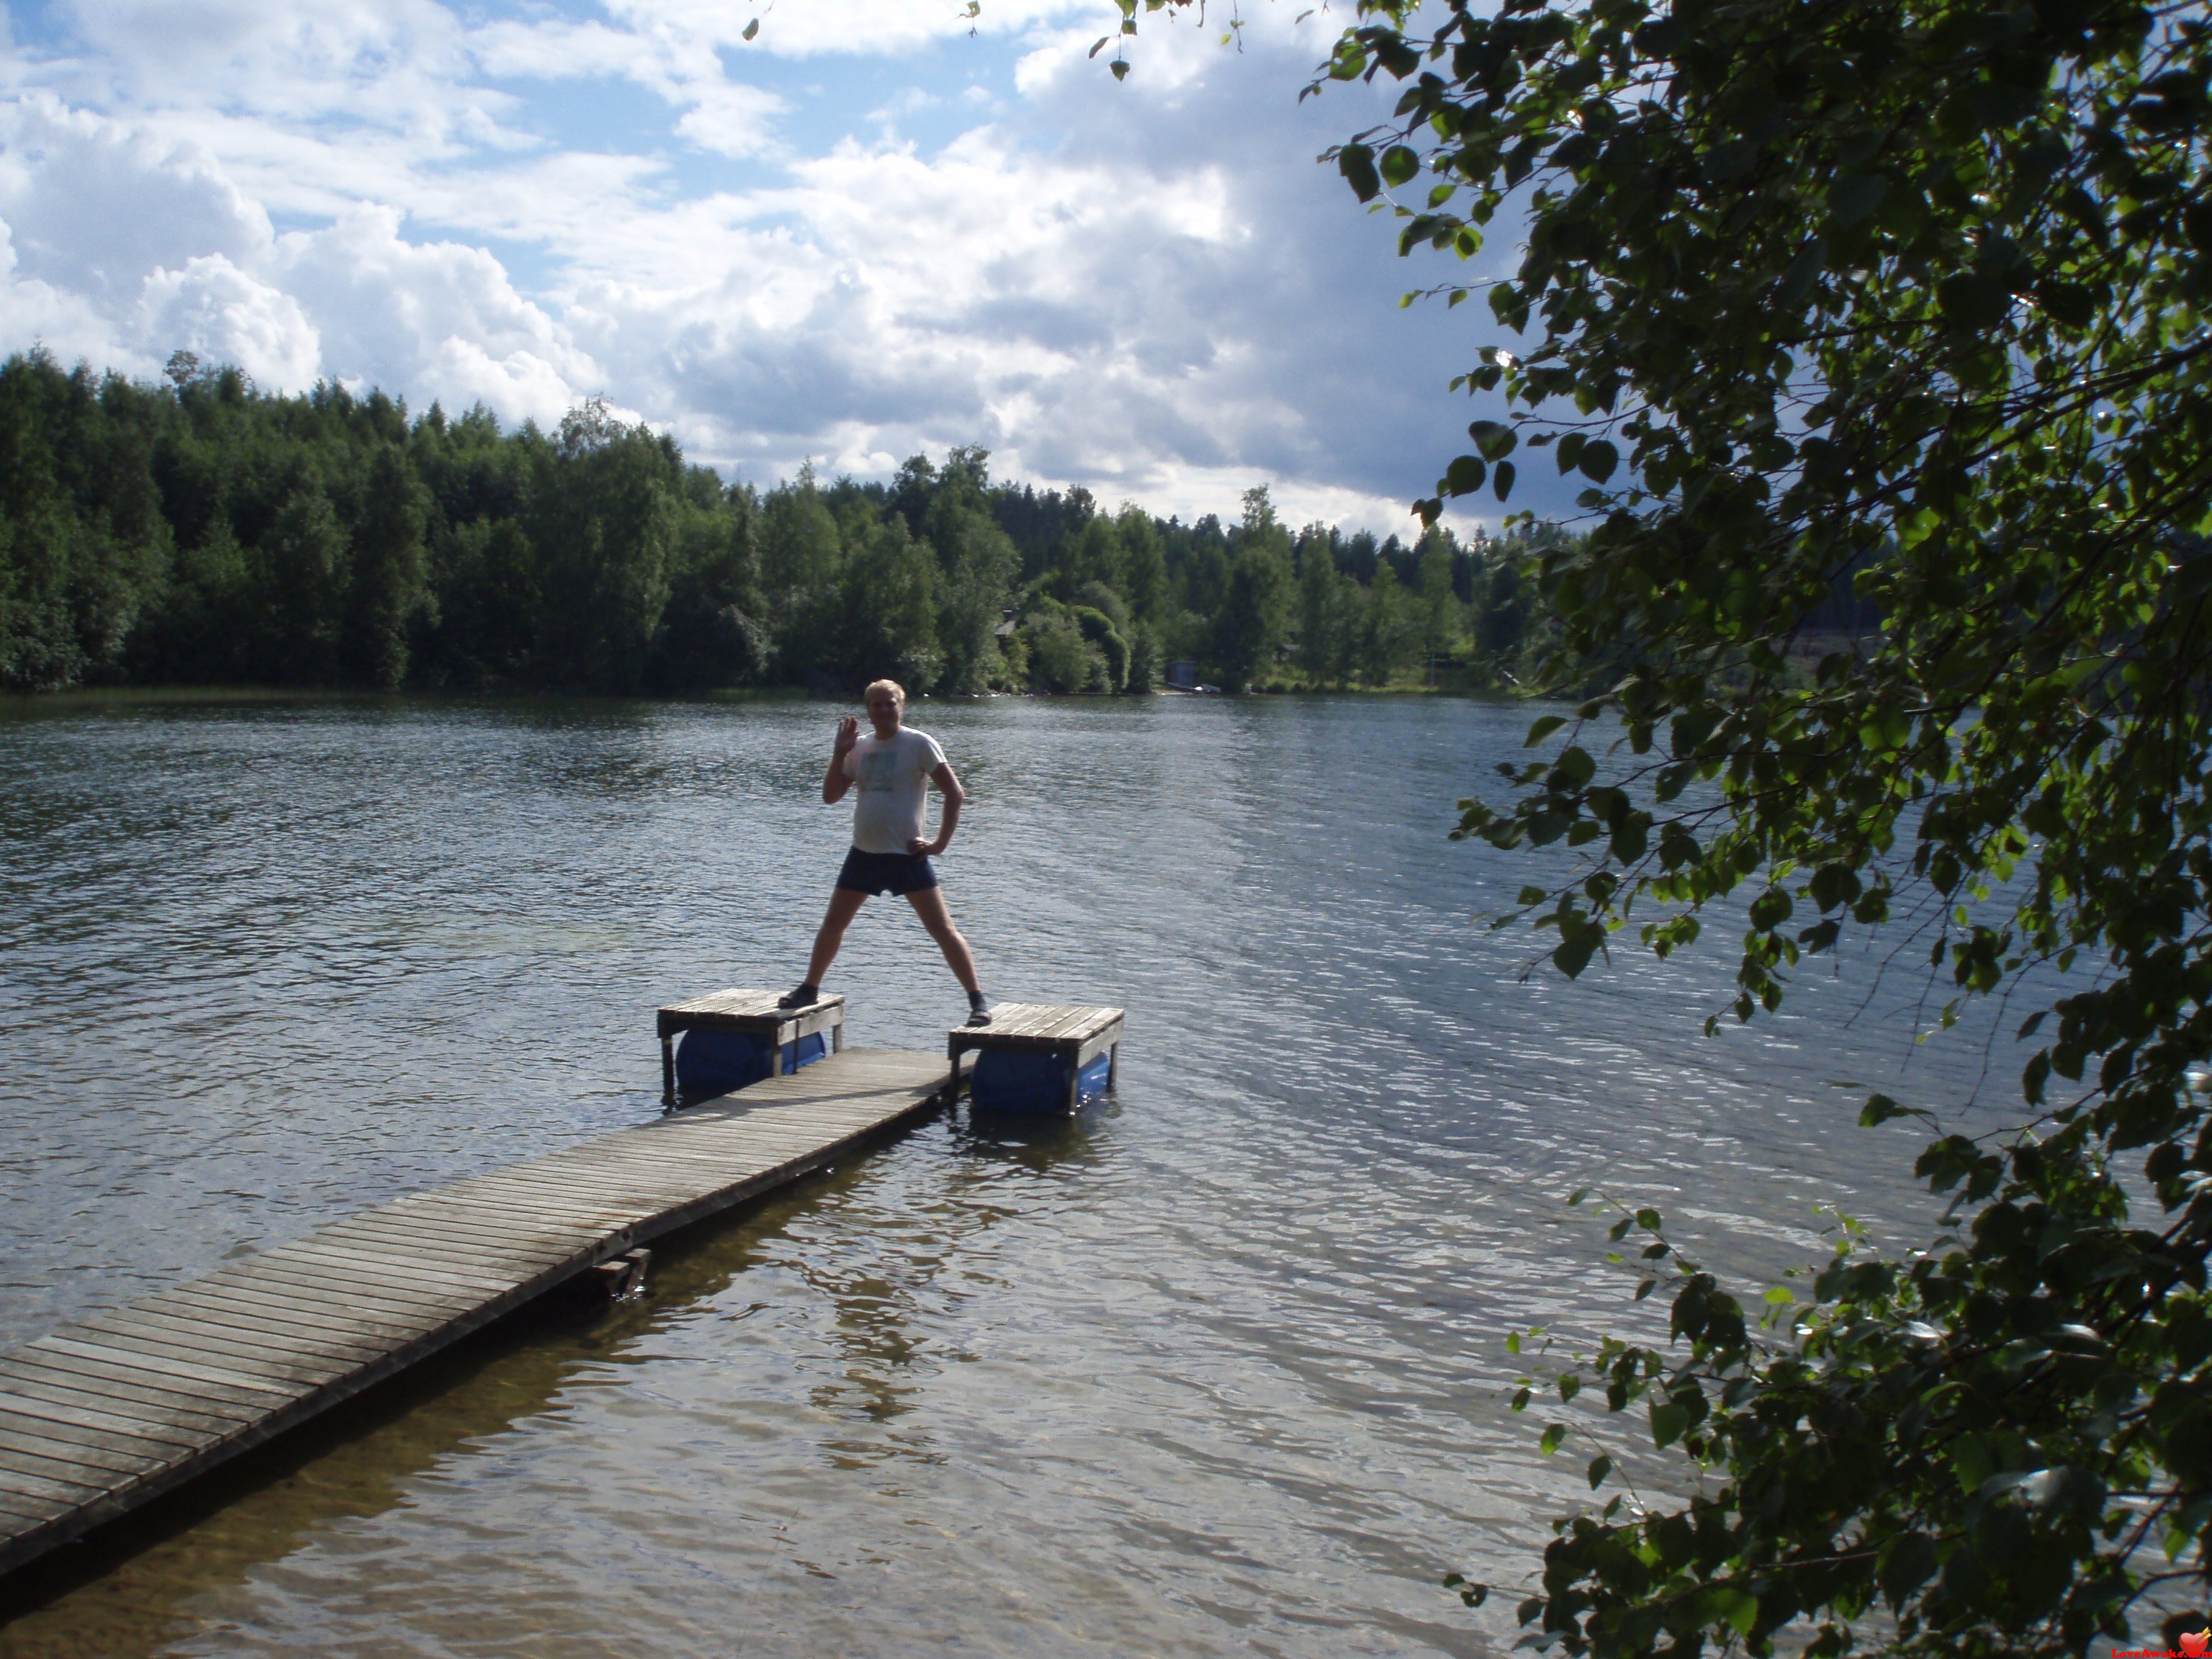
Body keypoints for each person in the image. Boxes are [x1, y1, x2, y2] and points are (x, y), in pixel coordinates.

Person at [780, 679, 992, 1026]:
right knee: (833, 924)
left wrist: (939, 844)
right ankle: (809, 988)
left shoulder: (919, 744)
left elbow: (955, 794)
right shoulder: (859, 748)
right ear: (868, 709)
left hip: (907, 855)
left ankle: (978, 1002)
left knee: (941, 928)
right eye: (876, 704)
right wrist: (838, 753)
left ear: (901, 706)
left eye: (889, 703)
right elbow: (831, 796)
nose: (883, 710)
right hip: (864, 854)